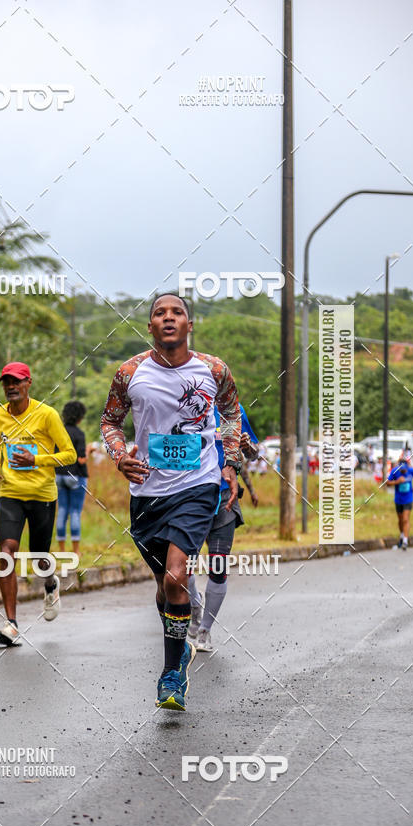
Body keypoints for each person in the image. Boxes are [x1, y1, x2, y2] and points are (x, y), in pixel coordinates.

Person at [101, 293, 241, 711]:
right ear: (150, 327)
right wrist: (120, 456)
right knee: (165, 587)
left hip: (198, 486)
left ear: (188, 324)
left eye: (176, 312)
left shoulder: (214, 369)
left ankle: (172, 676)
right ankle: (178, 644)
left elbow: (232, 414)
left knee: (177, 576)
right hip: (147, 493)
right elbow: (110, 421)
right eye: (159, 313)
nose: (168, 318)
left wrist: (229, 464)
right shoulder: (130, 372)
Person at [0, 362, 76, 645]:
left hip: (42, 496)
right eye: (6, 382)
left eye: (16, 382)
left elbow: (70, 454)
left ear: (28, 383)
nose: (11, 387)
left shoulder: (46, 415)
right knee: (6, 553)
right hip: (11, 493)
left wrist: (36, 460)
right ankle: (11, 624)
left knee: (39, 558)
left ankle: (50, 583)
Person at [188, 404, 259, 652]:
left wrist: (247, 446)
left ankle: (205, 629)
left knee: (218, 565)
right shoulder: (184, 405)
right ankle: (194, 607)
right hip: (189, 497)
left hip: (224, 498)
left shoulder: (233, 411)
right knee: (181, 564)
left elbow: (253, 454)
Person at [56, 400, 88, 554]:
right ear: (79, 417)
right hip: (76, 476)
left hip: (59, 476)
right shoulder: (79, 434)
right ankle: (75, 551)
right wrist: (90, 452)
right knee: (75, 512)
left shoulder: (59, 432)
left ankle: (61, 550)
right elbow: (81, 459)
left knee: (62, 510)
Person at [387, 452, 413, 550]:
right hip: (398, 499)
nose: (404, 472)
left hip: (408, 498)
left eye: (405, 470)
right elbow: (387, 483)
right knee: (400, 520)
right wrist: (397, 482)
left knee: (405, 519)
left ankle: (405, 541)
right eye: (402, 470)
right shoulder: (394, 471)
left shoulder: (411, 470)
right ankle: (401, 535)